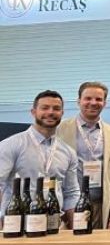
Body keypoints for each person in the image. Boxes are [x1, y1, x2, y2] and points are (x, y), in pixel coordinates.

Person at [0, 91, 81, 223]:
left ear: (62, 113)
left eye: (56, 108)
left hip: (54, 224)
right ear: (33, 112)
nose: (51, 112)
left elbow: (71, 193)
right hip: (18, 223)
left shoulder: (68, 152)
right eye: (45, 108)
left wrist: (75, 228)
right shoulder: (11, 145)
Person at [55, 82, 110, 230]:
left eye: (98, 99)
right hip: (69, 208)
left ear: (105, 103)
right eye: (88, 98)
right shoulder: (60, 130)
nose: (93, 103)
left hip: (100, 207)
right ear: (78, 101)